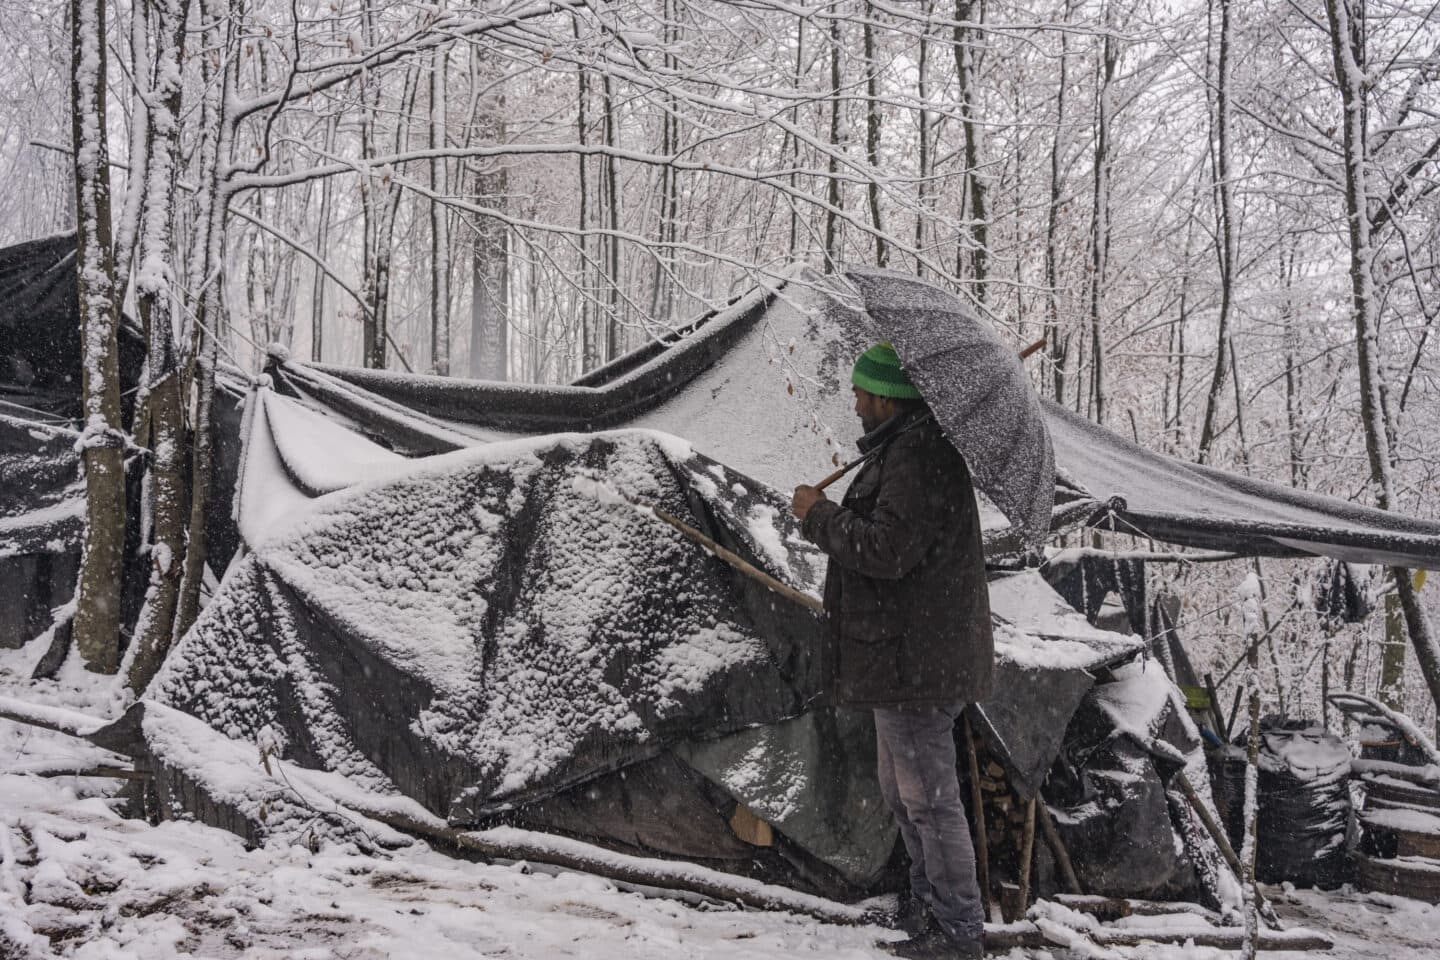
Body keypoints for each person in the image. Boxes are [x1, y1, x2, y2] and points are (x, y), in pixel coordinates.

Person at [791, 342, 994, 960]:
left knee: (929, 800)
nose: (854, 403)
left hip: (916, 662)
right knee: (904, 791)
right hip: (906, 658)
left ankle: (958, 930)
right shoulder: (906, 450)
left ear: (887, 397)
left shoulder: (918, 456)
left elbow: (887, 551)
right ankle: (927, 906)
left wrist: (819, 515)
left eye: (861, 393)